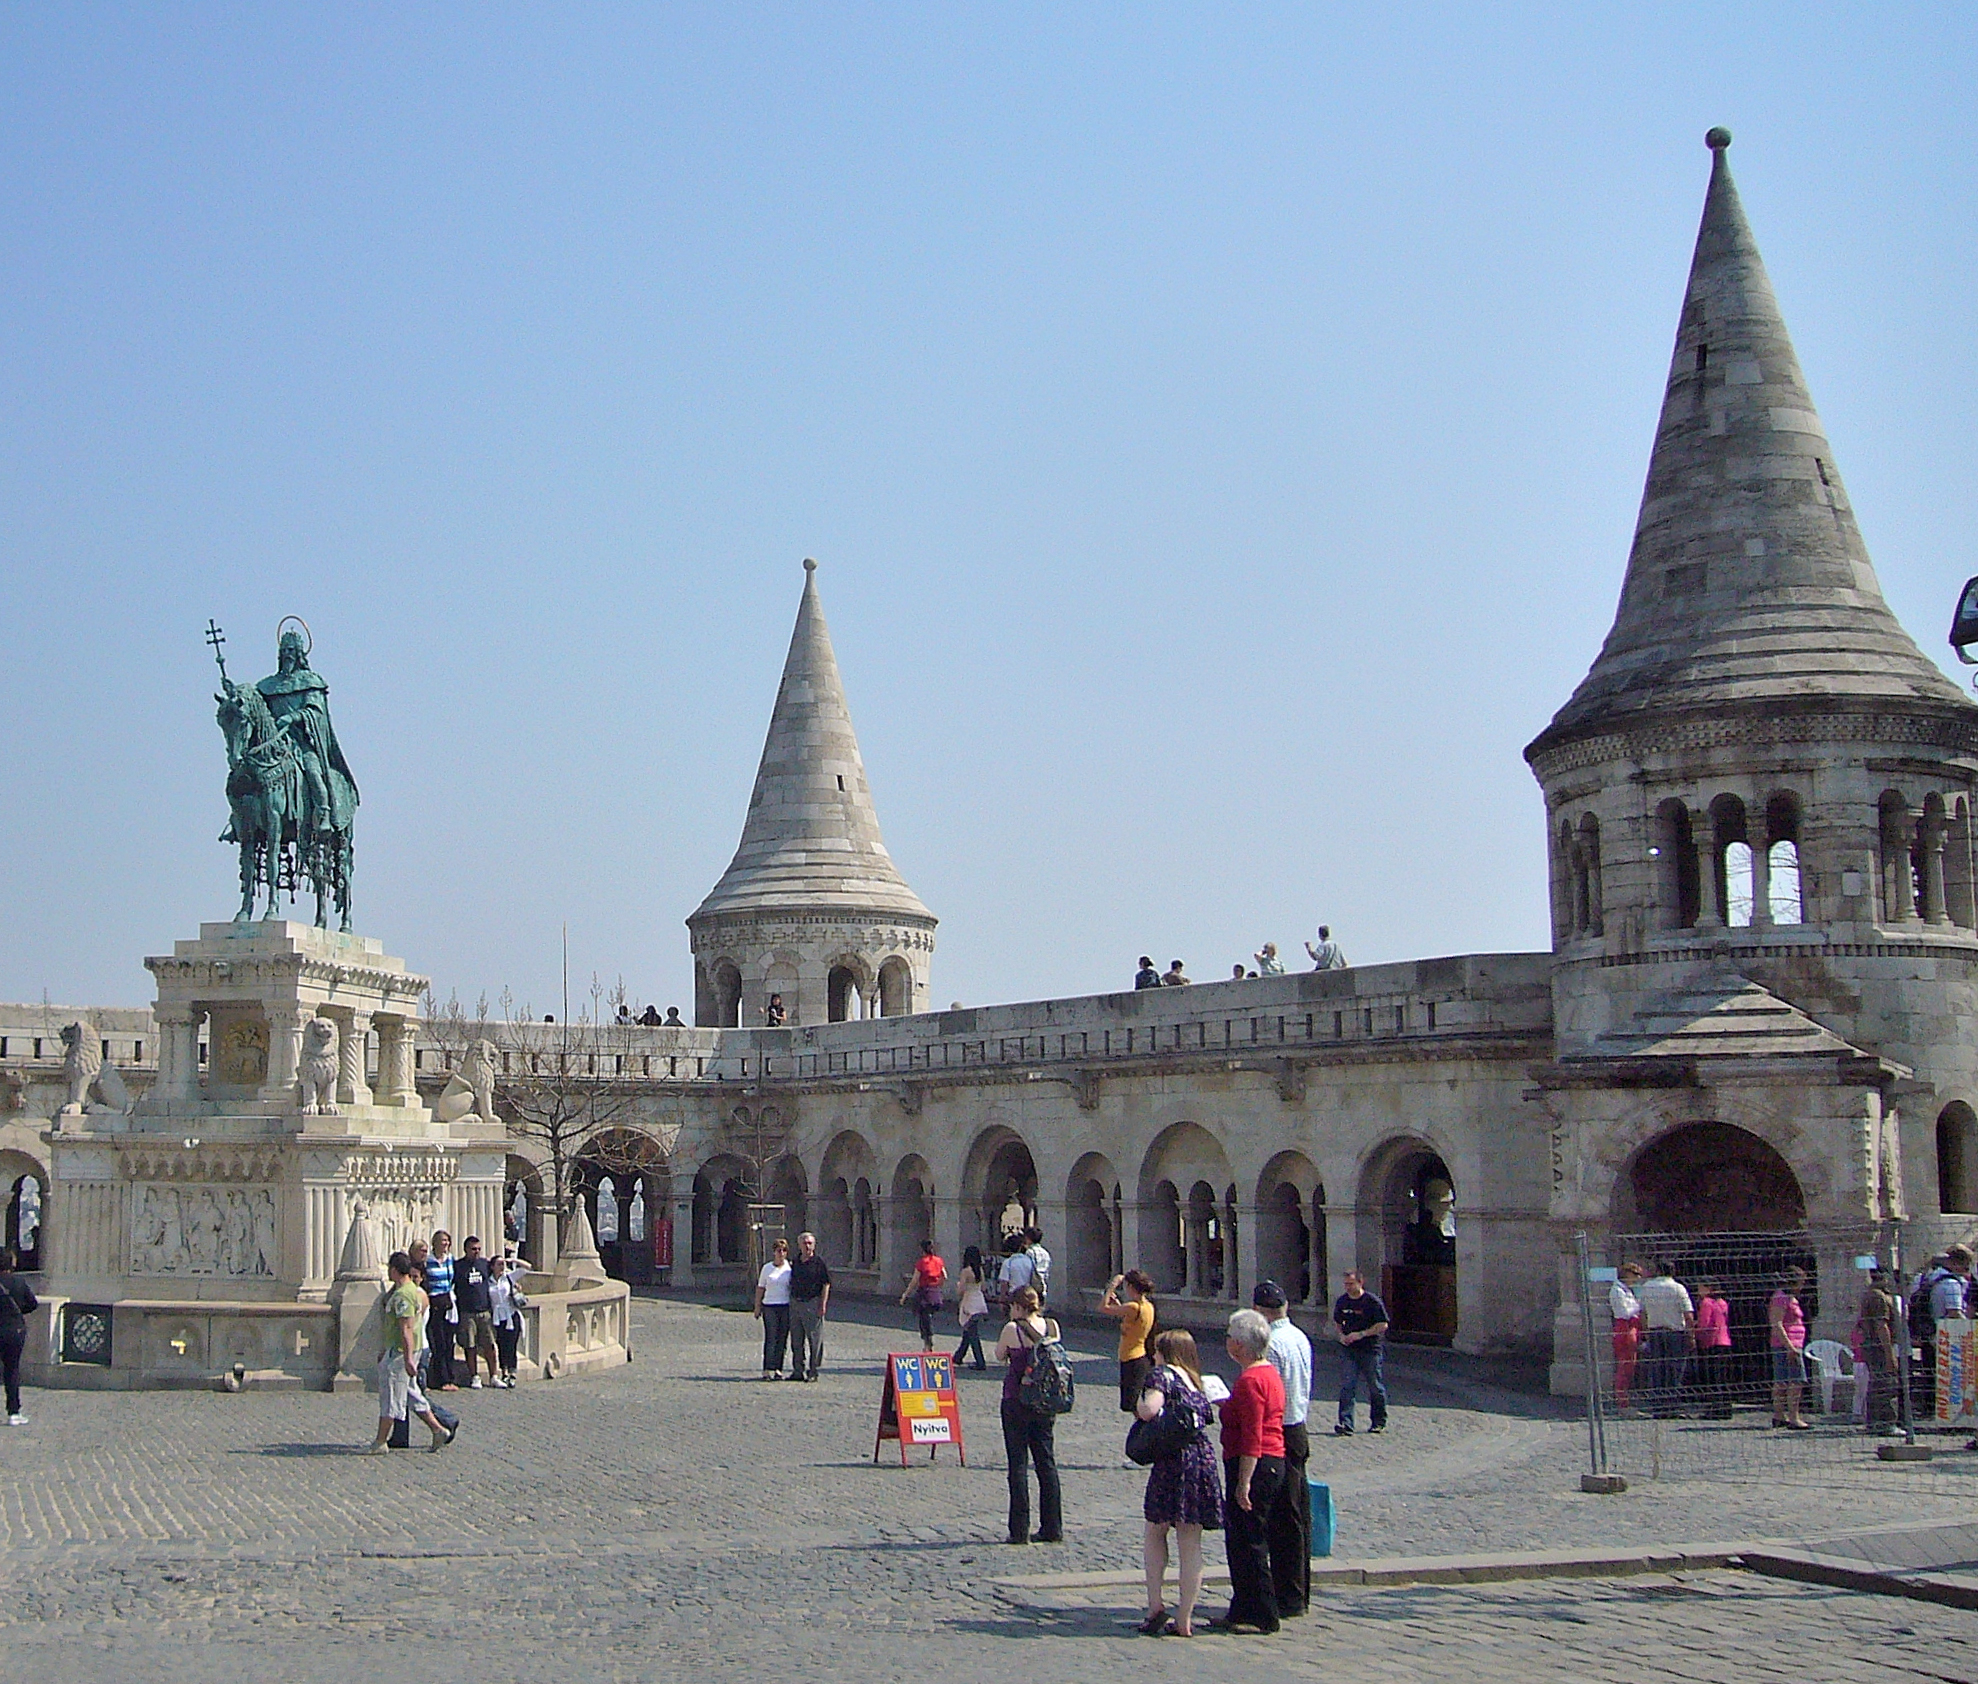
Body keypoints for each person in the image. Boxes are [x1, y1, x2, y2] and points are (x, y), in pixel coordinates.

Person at [1135, 1328, 1222, 1638]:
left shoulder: (1162, 1376)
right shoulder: (1196, 1379)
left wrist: (1140, 1401)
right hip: (1201, 1458)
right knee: (1190, 1540)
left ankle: (1155, 1606)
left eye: (1156, 1351)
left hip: (1173, 1460)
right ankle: (1185, 1617)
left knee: (1155, 1530)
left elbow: (1149, 1409)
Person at [1211, 1308, 1285, 1634]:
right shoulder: (1266, 1373)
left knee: (1250, 1540)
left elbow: (1253, 1434)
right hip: (1268, 1459)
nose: (1226, 1341)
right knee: (1240, 1541)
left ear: (1240, 1345)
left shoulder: (1253, 1379)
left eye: (1229, 1336)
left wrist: (1243, 1482)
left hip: (1256, 1462)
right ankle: (1242, 1607)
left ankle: (1265, 1611)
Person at [1254, 1280, 1313, 1618]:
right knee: (1298, 1513)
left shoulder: (1272, 1344)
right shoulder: (1299, 1337)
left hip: (1280, 1429)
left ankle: (1288, 1595)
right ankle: (1299, 1589)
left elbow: (1269, 1394)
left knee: (1284, 1517)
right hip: (1299, 1426)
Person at [996, 1285, 1064, 1545]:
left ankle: (1019, 1529)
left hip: (1016, 1400)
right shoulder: (1052, 1326)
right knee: (1046, 1463)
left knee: (1018, 1465)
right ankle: (1052, 1526)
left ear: (1017, 1306)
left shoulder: (1013, 1329)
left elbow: (1000, 1354)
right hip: (1045, 1401)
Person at [366, 1251, 449, 1454]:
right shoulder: (413, 1290)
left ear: (394, 1270)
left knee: (392, 1394)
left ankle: (380, 1441)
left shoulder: (403, 1294)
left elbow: (406, 1328)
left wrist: (408, 1358)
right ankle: (437, 1429)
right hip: (404, 1349)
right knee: (412, 1393)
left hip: (401, 1352)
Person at [1332, 1270, 1389, 1435]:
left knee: (1375, 1386)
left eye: (1351, 1284)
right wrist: (1342, 1336)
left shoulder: (1371, 1301)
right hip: (1349, 1350)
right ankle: (1346, 1423)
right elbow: (1337, 1321)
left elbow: (1383, 1324)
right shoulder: (1342, 1301)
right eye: (1346, 1284)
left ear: (1360, 1282)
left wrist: (1361, 1334)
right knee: (1347, 1386)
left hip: (1370, 1350)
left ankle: (1378, 1421)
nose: (1348, 1288)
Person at [1637, 1259, 1695, 1419]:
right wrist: (1691, 1334)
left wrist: (1646, 1332)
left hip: (1655, 1332)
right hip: (1675, 1332)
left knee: (1657, 1370)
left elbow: (1642, 1312)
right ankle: (1672, 1405)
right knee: (1674, 1370)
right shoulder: (1678, 1288)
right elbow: (1688, 1314)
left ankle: (1658, 1406)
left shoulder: (1647, 1287)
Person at [1100, 1269, 1157, 1410]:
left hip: (1132, 1358)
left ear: (1131, 1287)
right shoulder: (1147, 1306)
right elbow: (1130, 1319)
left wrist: (1111, 1287)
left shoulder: (1133, 1306)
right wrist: (1117, 1303)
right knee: (1134, 1402)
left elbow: (1103, 1308)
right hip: (1138, 1355)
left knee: (1132, 1403)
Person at [452, 1235, 500, 1389]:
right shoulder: (458, 1266)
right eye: (473, 1249)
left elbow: (499, 1277)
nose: (477, 1252)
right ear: (466, 1249)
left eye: (479, 1249)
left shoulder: (485, 1264)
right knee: (470, 1346)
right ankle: (474, 1376)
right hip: (467, 1312)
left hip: (484, 1311)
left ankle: (494, 1375)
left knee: (490, 1345)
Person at [1858, 1266, 1901, 1434]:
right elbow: (1881, 1325)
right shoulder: (1878, 1297)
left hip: (1872, 1345)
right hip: (1879, 1346)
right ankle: (1886, 1422)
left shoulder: (1869, 1294)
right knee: (1887, 1383)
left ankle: (1874, 1422)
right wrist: (1889, 1353)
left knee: (1876, 1384)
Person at [1768, 1266, 1811, 1430]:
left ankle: (1780, 1415)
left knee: (1786, 1380)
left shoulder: (1790, 1297)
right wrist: (1789, 1346)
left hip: (1794, 1343)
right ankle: (1792, 1416)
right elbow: (1777, 1323)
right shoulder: (1781, 1298)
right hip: (1787, 1345)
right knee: (1794, 1380)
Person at [0, 1247, 38, 1425]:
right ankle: (13, 1412)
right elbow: (32, 1304)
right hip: (14, 1330)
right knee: (12, 1370)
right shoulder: (18, 1282)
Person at [788, 1231, 831, 1382]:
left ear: (814, 1245)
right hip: (795, 1303)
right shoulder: (795, 1262)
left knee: (814, 1340)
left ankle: (813, 1371)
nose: (807, 1246)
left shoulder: (819, 1263)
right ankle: (798, 1370)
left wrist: (822, 1304)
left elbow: (826, 1284)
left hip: (812, 1303)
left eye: (810, 1243)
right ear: (799, 1245)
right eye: (804, 1243)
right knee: (796, 1339)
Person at [1692, 1278, 1734, 1418]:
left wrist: (1694, 1330)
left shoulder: (1706, 1303)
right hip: (1725, 1340)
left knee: (1712, 1377)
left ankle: (1714, 1408)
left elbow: (1704, 1323)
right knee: (1723, 1377)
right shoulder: (1722, 1303)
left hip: (1711, 1342)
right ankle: (1726, 1408)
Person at [754, 1236, 794, 1379]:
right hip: (769, 1305)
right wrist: (757, 1306)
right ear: (774, 1252)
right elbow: (760, 1288)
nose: (781, 1253)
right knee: (771, 1337)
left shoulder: (790, 1269)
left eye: (784, 1250)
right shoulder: (767, 1268)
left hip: (785, 1306)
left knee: (782, 1338)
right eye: (779, 1250)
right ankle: (767, 1368)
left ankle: (778, 1368)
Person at [422, 1230, 458, 1391]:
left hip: (448, 1301)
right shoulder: (428, 1260)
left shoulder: (450, 1259)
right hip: (434, 1301)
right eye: (442, 1240)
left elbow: (453, 1281)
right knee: (437, 1342)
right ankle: (438, 1378)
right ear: (435, 1243)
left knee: (449, 1342)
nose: (445, 1244)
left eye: (447, 1241)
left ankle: (449, 1377)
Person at [487, 1253, 527, 1387]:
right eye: (499, 1264)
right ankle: (503, 1372)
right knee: (501, 1345)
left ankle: (512, 1373)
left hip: (511, 1315)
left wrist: (513, 1260)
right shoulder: (488, 1281)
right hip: (498, 1318)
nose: (502, 1266)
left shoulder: (509, 1277)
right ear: (492, 1267)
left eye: (503, 1264)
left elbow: (528, 1268)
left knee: (511, 1345)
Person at [1608, 1261, 1644, 1411]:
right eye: (1635, 1275)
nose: (1637, 1279)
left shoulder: (1627, 1290)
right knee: (1625, 1364)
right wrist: (1640, 1305)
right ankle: (1622, 1400)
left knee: (1630, 1365)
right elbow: (1624, 1312)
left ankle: (1625, 1397)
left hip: (1632, 1326)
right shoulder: (1617, 1291)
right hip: (1625, 1326)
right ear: (1627, 1274)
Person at [900, 1239, 946, 1352]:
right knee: (927, 1316)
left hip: (925, 1293)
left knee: (923, 1318)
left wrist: (905, 1295)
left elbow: (914, 1281)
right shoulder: (938, 1261)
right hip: (935, 1292)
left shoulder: (921, 1263)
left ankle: (927, 1342)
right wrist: (938, 1286)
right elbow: (944, 1276)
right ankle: (928, 1342)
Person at [954, 1245, 990, 1372]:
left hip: (969, 1301)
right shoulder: (979, 1270)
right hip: (979, 1300)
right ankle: (958, 1356)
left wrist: (958, 1286)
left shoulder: (966, 1271)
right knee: (969, 1331)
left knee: (972, 1333)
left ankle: (980, 1361)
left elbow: (961, 1289)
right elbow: (984, 1287)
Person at [996, 1232, 1035, 1307]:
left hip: (1013, 1296)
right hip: (1028, 1294)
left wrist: (1002, 1300)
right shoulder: (1029, 1260)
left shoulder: (1008, 1262)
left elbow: (1004, 1283)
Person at [1022, 1226, 1052, 1305]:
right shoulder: (1045, 1253)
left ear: (1028, 1238)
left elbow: (1027, 1269)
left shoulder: (1030, 1252)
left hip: (1032, 1287)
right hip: (1042, 1286)